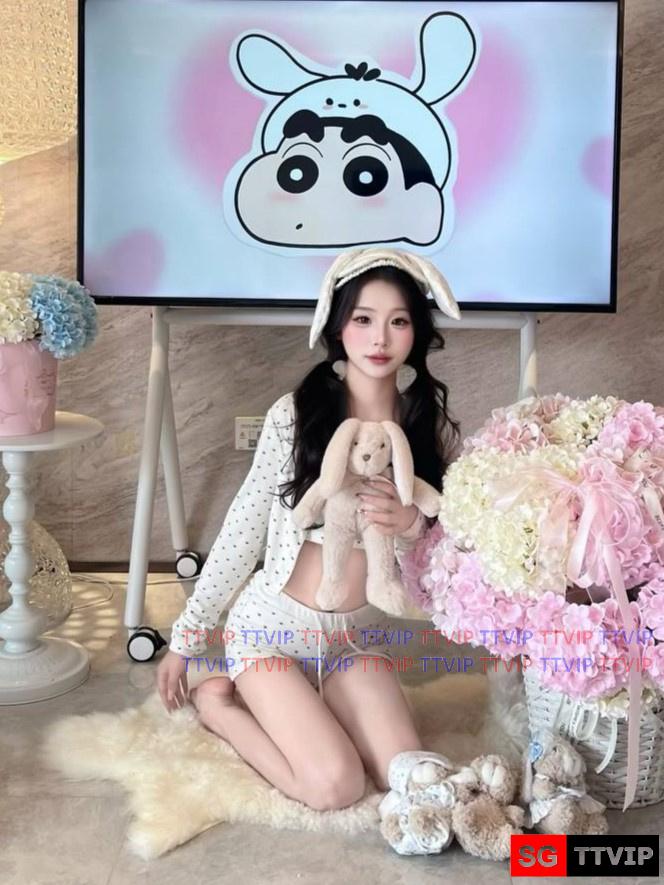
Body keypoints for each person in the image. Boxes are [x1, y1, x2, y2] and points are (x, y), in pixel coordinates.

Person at [157, 247, 461, 811]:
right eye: (363, 318)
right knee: (335, 786)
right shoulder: (295, 415)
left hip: (357, 640)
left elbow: (442, 552)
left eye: (398, 321)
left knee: (411, 776)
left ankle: (317, 708)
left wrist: (412, 524)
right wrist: (188, 636)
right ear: (337, 326)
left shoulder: (421, 422)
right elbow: (244, 526)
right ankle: (220, 708)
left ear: (416, 331)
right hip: (270, 635)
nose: (379, 338)